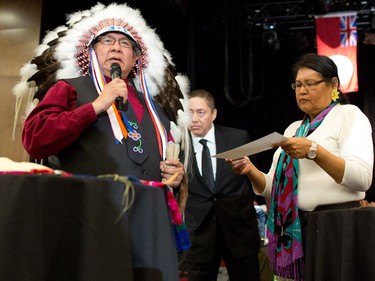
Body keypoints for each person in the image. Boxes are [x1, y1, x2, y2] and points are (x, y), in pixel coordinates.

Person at [14, 3, 191, 211]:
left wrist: (176, 175)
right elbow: (34, 139)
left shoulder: (156, 110)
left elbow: (167, 165)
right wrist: (95, 106)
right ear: (91, 51)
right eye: (107, 41)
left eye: (125, 43)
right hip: (88, 217)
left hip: (145, 219)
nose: (116, 47)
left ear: (135, 58)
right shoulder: (68, 89)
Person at [226, 53, 374, 280]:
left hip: (335, 226)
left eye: (310, 84)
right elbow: (272, 187)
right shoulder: (294, 128)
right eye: (298, 85)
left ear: (333, 84)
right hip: (298, 227)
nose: (302, 90)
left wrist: (314, 151)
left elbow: (362, 178)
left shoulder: (348, 115)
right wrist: (250, 170)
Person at [183, 89, 261, 281]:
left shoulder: (238, 139)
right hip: (198, 236)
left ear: (213, 114)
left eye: (200, 112)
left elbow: (256, 182)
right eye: (189, 112)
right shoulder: (177, 144)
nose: (194, 118)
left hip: (239, 232)